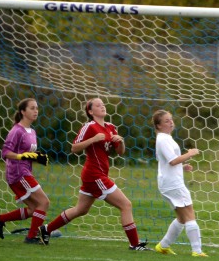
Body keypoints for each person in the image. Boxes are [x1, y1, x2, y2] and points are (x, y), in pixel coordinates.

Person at [43, 98, 148, 250]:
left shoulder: (110, 127)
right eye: (98, 105)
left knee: (80, 210)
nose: (102, 106)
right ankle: (135, 244)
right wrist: (93, 139)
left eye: (103, 104)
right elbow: (74, 148)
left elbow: (120, 152)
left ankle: (46, 230)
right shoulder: (89, 127)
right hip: (94, 175)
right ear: (91, 111)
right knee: (126, 205)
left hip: (98, 175)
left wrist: (121, 141)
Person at [0, 98, 50, 244]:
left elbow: (26, 153)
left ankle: (0, 219)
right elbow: (5, 152)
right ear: (23, 111)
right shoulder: (16, 131)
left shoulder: (32, 131)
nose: (36, 111)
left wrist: (36, 157)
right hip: (18, 173)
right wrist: (23, 156)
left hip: (25, 172)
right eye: (32, 108)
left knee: (33, 209)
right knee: (44, 202)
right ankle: (32, 237)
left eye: (37, 108)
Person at [152, 109, 207, 257]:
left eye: (171, 119)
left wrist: (182, 167)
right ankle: (197, 251)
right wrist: (189, 154)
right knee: (189, 215)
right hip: (173, 184)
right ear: (158, 125)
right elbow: (172, 161)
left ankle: (163, 246)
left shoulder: (165, 138)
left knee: (182, 218)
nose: (171, 122)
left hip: (169, 182)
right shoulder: (163, 139)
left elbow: (166, 163)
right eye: (166, 121)